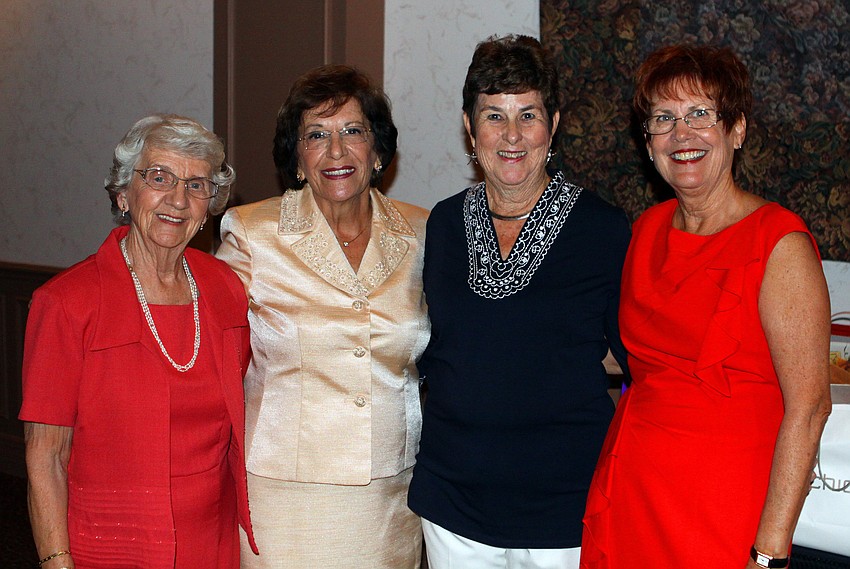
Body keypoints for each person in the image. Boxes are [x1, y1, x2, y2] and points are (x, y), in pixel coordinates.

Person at [580, 45, 832, 569]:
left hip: (726, 515)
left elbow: (809, 409)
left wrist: (769, 553)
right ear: (647, 142)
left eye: (701, 114)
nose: (682, 134)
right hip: (632, 497)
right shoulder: (644, 232)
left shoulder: (778, 243)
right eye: (664, 119)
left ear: (736, 129)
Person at [407, 35, 631, 569]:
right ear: (469, 126)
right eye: (493, 116)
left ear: (553, 124)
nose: (511, 136)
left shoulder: (602, 230)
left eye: (527, 115)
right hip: (452, 504)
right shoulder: (441, 224)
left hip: (561, 509)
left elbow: (635, 363)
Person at [20, 114, 257, 569]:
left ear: (210, 204)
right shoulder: (67, 303)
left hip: (211, 539)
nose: (178, 199)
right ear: (124, 194)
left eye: (196, 185)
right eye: (159, 177)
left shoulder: (225, 289)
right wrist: (56, 560)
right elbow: (46, 456)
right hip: (108, 546)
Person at [216, 64, 429, 569]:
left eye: (353, 131)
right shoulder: (252, 233)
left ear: (377, 151)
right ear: (297, 157)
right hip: (285, 497)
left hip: (390, 498)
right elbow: (209, 348)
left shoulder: (423, 233)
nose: (336, 151)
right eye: (317, 135)